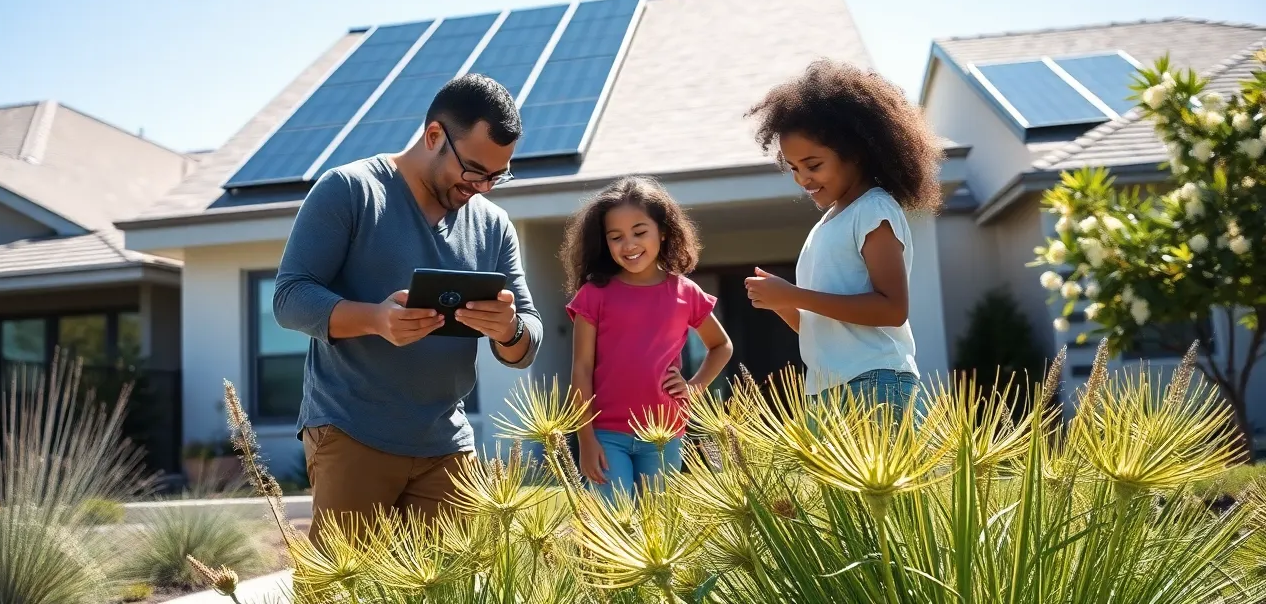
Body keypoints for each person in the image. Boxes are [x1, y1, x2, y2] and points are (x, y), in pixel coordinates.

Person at [272, 73, 543, 545]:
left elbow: (527, 342)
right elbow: (290, 298)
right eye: (475, 170)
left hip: (447, 446)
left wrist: (509, 329)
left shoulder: (494, 226)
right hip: (351, 433)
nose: (484, 187)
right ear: (434, 135)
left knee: (450, 590)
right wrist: (376, 320)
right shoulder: (350, 191)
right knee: (342, 594)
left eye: (497, 176)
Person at [742, 59, 942, 417]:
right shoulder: (826, 225)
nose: (803, 178)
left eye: (813, 165)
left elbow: (892, 309)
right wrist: (783, 303)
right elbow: (821, 328)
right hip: (826, 390)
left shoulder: (873, 210)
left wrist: (795, 295)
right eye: (794, 169)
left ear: (858, 152)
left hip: (875, 383)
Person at [560, 176, 733, 502]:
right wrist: (585, 439)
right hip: (606, 434)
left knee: (657, 533)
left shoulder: (685, 292)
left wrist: (693, 387)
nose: (629, 245)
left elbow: (721, 346)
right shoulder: (593, 295)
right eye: (616, 237)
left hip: (664, 435)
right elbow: (581, 369)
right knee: (612, 530)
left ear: (663, 232)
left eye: (639, 232)